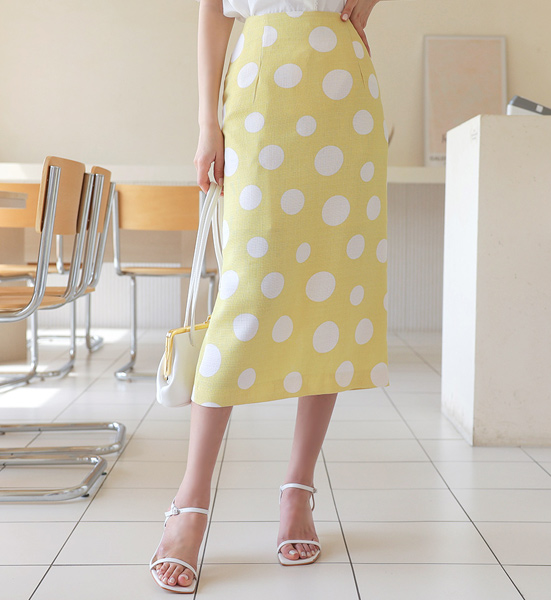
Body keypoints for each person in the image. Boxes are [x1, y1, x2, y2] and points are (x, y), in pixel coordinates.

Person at [150, 0, 389, 592]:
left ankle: (298, 489)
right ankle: (191, 499)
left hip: (345, 93)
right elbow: (213, 11)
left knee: (330, 293)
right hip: (260, 87)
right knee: (246, 295)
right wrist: (207, 124)